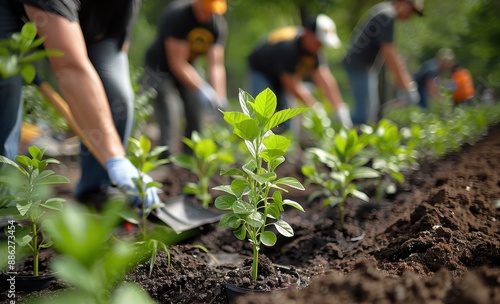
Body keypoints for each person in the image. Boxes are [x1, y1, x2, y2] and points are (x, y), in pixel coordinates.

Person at [0, 0, 159, 209]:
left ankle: (99, 188)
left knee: (117, 95)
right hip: (11, 9)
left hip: (83, 25)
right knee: (5, 82)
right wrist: (116, 158)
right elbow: (69, 68)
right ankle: (4, 202)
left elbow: (117, 44)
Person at [144, 0, 228, 154]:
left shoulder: (217, 24)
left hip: (188, 66)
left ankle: (189, 159)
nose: (210, 14)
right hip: (160, 68)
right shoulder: (178, 16)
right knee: (170, 109)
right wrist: (203, 89)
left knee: (194, 110)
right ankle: (165, 157)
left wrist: (218, 96)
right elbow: (177, 63)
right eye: (206, 9)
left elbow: (216, 65)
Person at [247, 14, 353, 129]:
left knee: (286, 120)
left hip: (283, 76)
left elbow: (324, 78)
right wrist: (315, 106)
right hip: (261, 71)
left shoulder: (314, 51)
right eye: (318, 42)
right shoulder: (288, 46)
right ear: (308, 34)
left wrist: (339, 109)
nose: (320, 47)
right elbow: (291, 85)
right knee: (261, 115)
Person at [342, 0, 424, 125]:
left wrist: (405, 82)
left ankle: (359, 139)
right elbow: (389, 53)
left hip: (365, 66)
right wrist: (408, 88)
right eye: (411, 10)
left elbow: (393, 53)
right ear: (402, 2)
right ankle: (345, 139)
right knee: (363, 114)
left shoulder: (384, 11)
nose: (410, 15)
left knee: (371, 112)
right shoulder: (386, 16)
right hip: (359, 65)